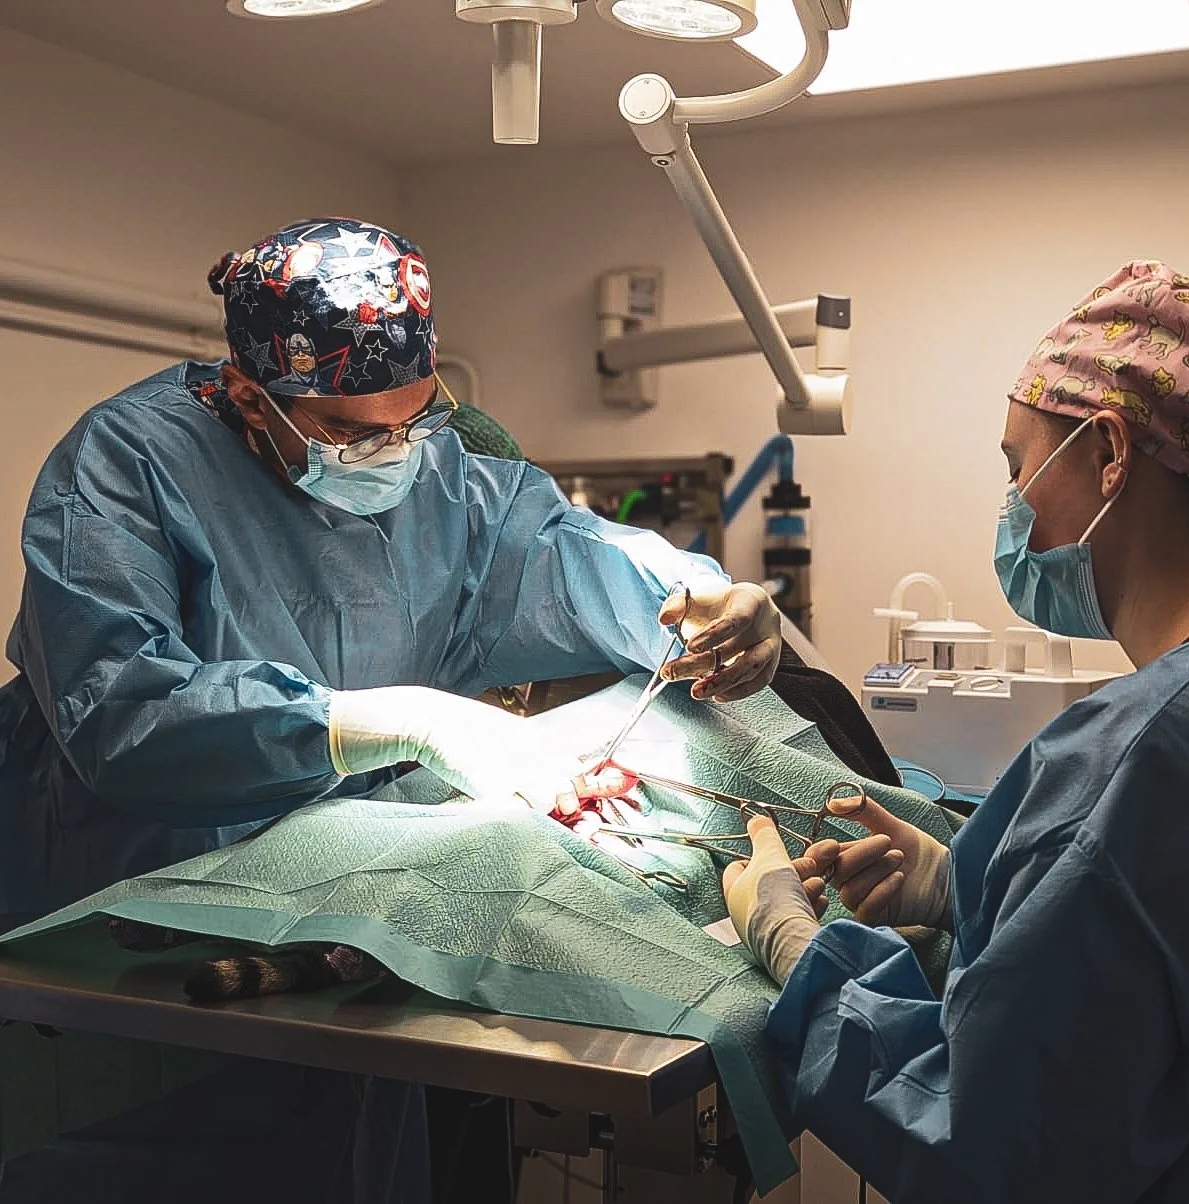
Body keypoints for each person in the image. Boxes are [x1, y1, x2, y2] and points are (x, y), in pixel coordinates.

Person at [0, 217, 781, 1201]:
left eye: (413, 418)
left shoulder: (441, 475)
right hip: (127, 953)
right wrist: (394, 720)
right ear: (250, 391)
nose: (392, 451)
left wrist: (697, 596)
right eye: (347, 429)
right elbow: (119, 713)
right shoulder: (126, 466)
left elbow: (566, 556)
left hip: (343, 946)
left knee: (348, 1162)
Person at [723, 260, 1189, 1204]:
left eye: (1018, 463)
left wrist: (796, 951)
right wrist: (963, 884)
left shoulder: (1136, 761)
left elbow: (988, 1144)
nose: (1015, 497)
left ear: (1111, 450)